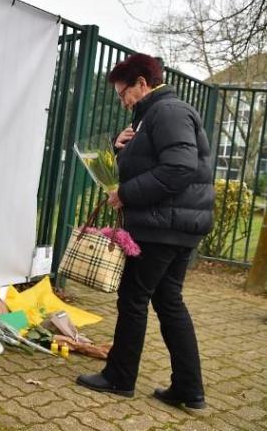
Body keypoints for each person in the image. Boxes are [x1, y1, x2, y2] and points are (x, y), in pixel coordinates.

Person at [75, 53, 214, 410]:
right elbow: (155, 163)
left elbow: (179, 169)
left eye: (125, 93)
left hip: (160, 227)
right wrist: (123, 148)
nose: (123, 101)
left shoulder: (167, 112)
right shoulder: (153, 117)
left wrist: (124, 193)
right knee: (168, 302)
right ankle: (188, 389)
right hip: (172, 225)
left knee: (133, 298)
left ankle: (119, 377)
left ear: (142, 83)